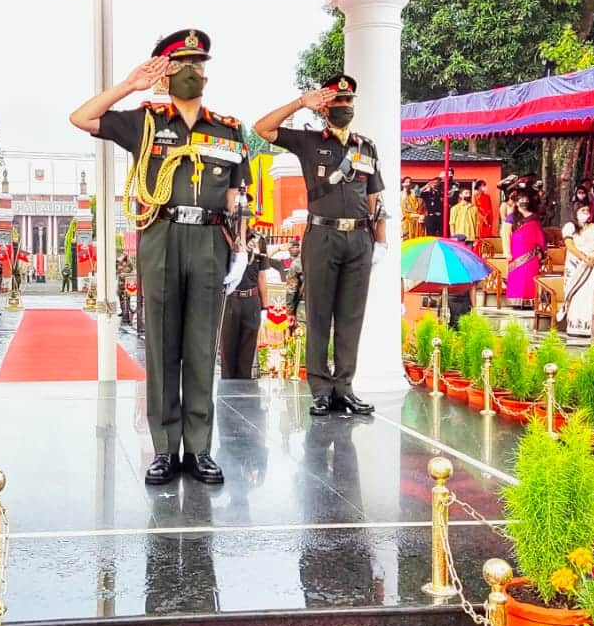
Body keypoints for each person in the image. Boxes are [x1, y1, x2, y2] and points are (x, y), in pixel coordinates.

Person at [70, 28, 247, 486]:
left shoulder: (228, 129)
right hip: (161, 233)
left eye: (198, 63)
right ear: (164, 72)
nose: (193, 71)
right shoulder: (144, 121)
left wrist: (242, 249)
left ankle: (200, 449)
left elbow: (236, 196)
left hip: (210, 239)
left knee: (202, 346)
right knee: (163, 346)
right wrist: (130, 84)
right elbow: (81, 117)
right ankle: (166, 449)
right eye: (181, 63)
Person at [253, 73, 386, 417]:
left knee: (350, 317)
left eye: (348, 101)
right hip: (322, 236)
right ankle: (321, 389)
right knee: (319, 314)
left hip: (359, 237)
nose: (345, 106)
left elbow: (375, 198)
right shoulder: (310, 142)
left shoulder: (366, 147)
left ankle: (345, 387)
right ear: (326, 106)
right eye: (338, 101)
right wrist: (300, 102)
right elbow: (262, 129)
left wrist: (380, 242)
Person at [220, 232, 269, 379]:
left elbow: (262, 276)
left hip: (251, 300)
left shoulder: (259, 239)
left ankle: (244, 398)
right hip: (230, 298)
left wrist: (265, 308)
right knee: (228, 357)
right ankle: (228, 396)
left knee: (246, 358)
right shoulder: (225, 235)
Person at [560, 204, 594, 336]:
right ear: (575, 211)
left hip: (592, 268)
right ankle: (575, 327)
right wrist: (584, 258)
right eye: (582, 210)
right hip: (576, 267)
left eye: (587, 210)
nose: (586, 212)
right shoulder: (569, 227)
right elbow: (569, 246)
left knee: (590, 296)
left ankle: (590, 327)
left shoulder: (593, 228)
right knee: (577, 296)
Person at [505, 195, 545, 308]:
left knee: (530, 275)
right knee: (517, 275)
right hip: (516, 250)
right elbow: (506, 235)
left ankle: (531, 301)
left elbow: (539, 235)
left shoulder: (534, 217)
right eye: (521, 200)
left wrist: (540, 251)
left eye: (526, 199)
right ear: (516, 202)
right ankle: (516, 301)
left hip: (532, 252)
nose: (524, 201)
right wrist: (507, 251)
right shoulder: (511, 217)